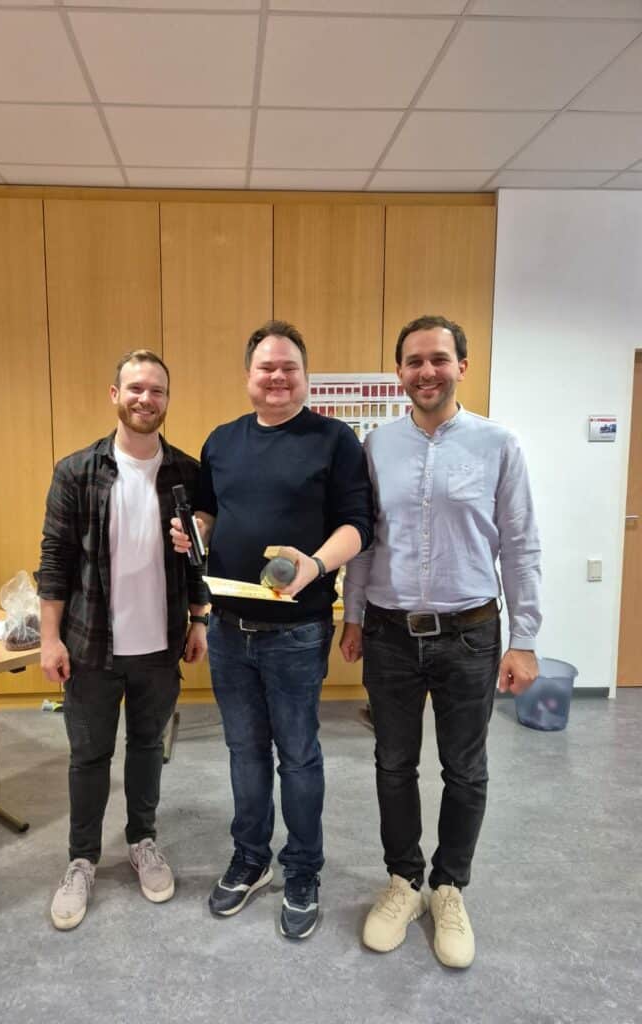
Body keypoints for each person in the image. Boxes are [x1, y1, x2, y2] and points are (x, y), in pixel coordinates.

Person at [340, 314, 541, 968]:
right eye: (414, 361)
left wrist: (525, 637)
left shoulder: (498, 444)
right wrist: (353, 615)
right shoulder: (376, 446)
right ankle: (404, 881)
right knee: (393, 764)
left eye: (438, 359)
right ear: (400, 371)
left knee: (465, 767)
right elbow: (364, 540)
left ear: (461, 366)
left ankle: (449, 886)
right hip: (390, 634)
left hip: (471, 634)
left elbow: (520, 545)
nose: (426, 371)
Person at [172, 320, 373, 940]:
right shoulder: (222, 441)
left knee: (299, 754)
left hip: (297, 631)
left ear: (305, 377)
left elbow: (358, 525)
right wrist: (195, 532)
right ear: (248, 376)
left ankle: (303, 870)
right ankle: (251, 858)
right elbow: (210, 512)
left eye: (289, 367)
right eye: (266, 367)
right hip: (230, 628)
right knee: (244, 751)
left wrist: (314, 565)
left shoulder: (334, 440)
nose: (278, 377)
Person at [38, 349, 209, 931]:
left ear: (167, 400)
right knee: (89, 756)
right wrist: (50, 640)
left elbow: (198, 559)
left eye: (156, 390)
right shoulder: (77, 471)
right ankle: (81, 860)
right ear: (115, 394)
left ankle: (143, 841)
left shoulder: (187, 473)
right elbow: (54, 561)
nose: (145, 399)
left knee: (147, 748)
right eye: (135, 388)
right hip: (91, 646)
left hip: (160, 646)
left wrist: (199, 619)